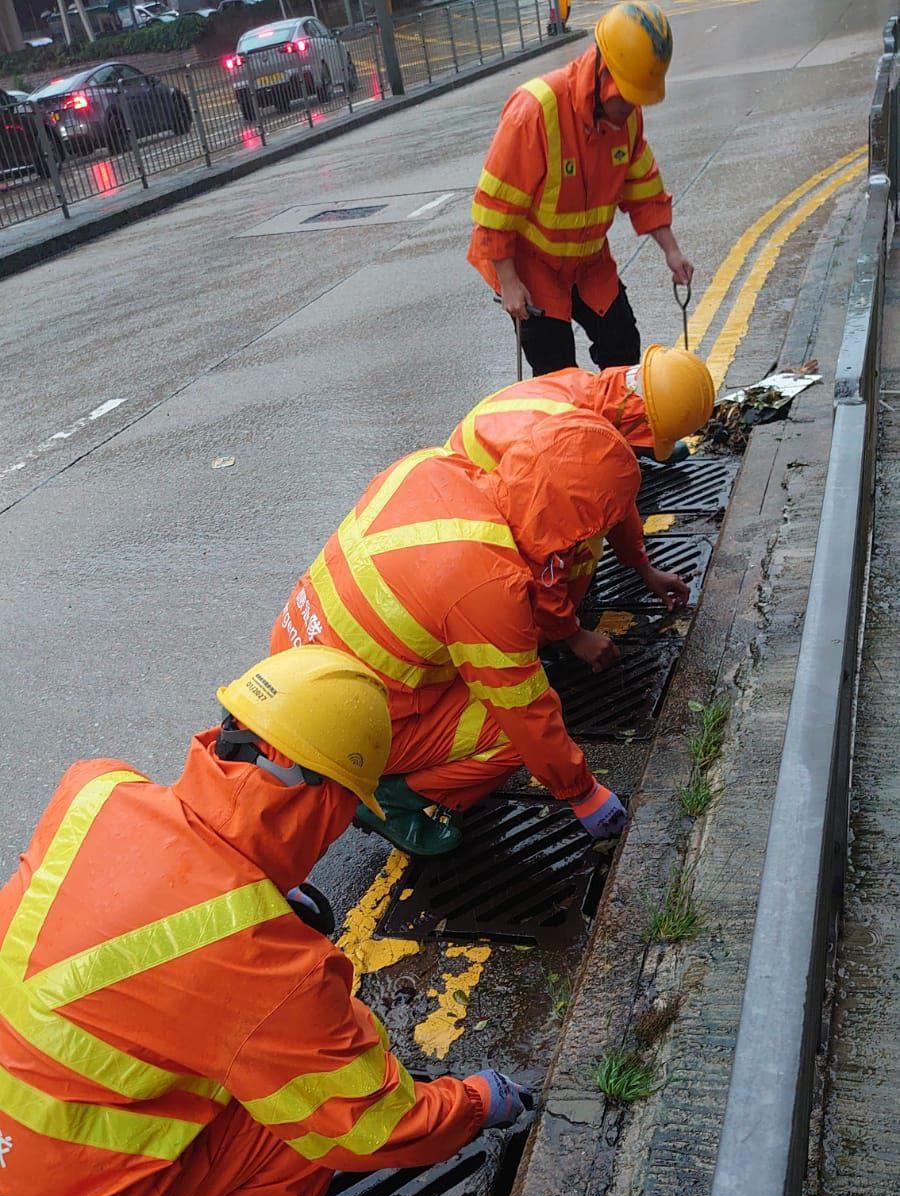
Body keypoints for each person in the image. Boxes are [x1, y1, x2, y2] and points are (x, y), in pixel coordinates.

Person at [0, 647, 529, 1196]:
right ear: (324, 799)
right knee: (302, 1114)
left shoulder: (92, 791)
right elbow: (372, 1128)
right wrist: (476, 1103)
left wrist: (262, 889)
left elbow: (130, 903)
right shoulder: (269, 970)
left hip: (30, 1154)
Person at [270, 412, 639, 858]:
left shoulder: (429, 466)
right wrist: (583, 793)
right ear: (576, 524)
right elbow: (526, 716)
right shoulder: (489, 583)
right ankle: (390, 800)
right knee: (512, 733)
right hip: (341, 725)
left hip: (292, 665)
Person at [445, 343, 715, 665]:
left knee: (585, 527)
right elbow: (545, 552)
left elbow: (613, 499)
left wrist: (642, 566)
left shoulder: (593, 394)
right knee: (578, 549)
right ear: (641, 422)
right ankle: (527, 638)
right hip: (472, 525)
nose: (645, 452)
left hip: (495, 488)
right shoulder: (563, 452)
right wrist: (573, 635)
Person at [468, 2, 692, 376]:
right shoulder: (536, 110)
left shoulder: (627, 117)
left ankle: (618, 416)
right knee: (558, 373)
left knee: (622, 346)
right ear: (603, 72)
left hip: (588, 261)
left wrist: (672, 250)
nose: (631, 107)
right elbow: (495, 212)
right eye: (625, 96)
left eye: (638, 97)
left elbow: (643, 189)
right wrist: (509, 283)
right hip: (533, 265)